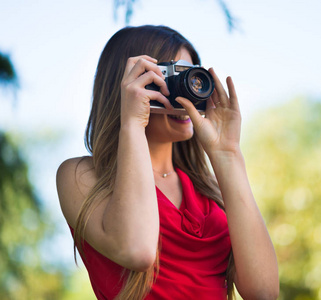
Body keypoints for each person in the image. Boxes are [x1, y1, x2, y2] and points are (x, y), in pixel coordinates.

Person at [56, 25, 279, 300]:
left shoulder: (207, 190)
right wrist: (133, 122)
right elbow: (137, 250)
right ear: (127, 85)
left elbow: (264, 292)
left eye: (192, 77)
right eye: (168, 76)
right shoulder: (82, 175)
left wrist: (228, 153)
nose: (187, 92)